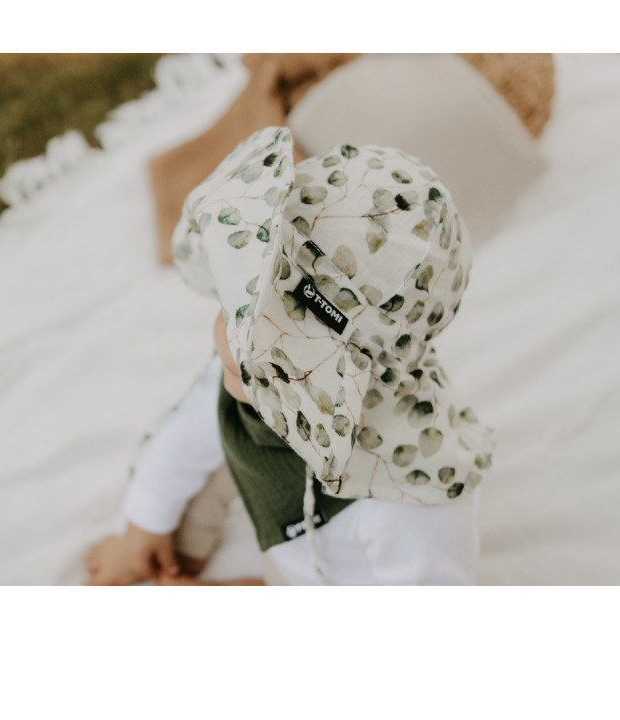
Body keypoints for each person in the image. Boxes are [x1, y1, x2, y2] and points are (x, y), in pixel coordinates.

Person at [85, 124, 494, 586]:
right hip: (271, 481)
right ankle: (174, 546)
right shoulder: (243, 363)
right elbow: (186, 436)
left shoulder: (410, 504)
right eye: (244, 305)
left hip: (329, 574)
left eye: (284, 339)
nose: (240, 344)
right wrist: (141, 531)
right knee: (209, 448)